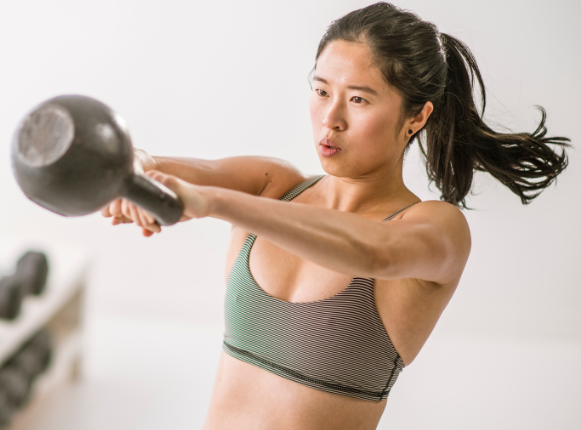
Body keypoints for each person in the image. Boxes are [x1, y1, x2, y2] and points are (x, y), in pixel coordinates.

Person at [102, 2, 570, 429]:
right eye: (322, 91)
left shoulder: (436, 227)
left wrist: (212, 203)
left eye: (359, 99)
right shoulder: (276, 185)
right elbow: (153, 164)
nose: (331, 119)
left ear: (416, 117)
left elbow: (372, 252)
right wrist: (135, 170)